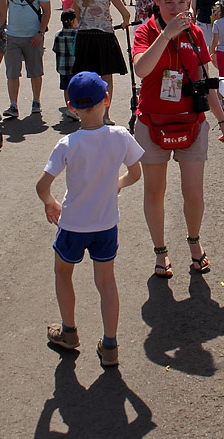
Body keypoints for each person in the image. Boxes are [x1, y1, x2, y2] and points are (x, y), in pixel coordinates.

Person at [36, 72, 143, 367]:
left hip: (72, 224)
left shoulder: (68, 143)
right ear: (106, 99)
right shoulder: (120, 136)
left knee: (63, 273)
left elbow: (42, 186)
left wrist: (51, 203)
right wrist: (117, 184)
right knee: (106, 282)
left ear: (71, 107)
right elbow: (135, 174)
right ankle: (110, 345)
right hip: (106, 224)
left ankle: (69, 331)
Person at [132, 0, 224, 278]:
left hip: (191, 122)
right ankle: (160, 252)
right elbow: (141, 70)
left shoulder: (196, 34)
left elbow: (205, 81)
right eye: (168, 3)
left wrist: (222, 120)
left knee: (194, 193)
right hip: (152, 122)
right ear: (157, 3)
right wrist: (165, 36)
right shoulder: (146, 32)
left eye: (181, 2)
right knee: (155, 191)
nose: (176, 9)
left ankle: (194, 244)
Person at [71, 0, 130, 125]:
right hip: (104, 36)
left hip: (85, 37)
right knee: (107, 78)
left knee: (86, 77)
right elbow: (125, 13)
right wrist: (124, 23)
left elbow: (76, 16)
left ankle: (87, 113)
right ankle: (105, 114)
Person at [2, 0, 51, 118]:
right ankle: (13, 105)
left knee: (35, 71)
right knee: (12, 73)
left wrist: (40, 32)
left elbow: (47, 11)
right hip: (12, 35)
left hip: (33, 36)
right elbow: (3, 11)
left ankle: (36, 101)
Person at [52, 9, 79, 120]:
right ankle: (77, 109)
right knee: (76, 88)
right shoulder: (76, 34)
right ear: (74, 21)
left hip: (63, 67)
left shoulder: (58, 34)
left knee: (66, 88)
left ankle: (70, 108)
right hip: (75, 67)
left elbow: (55, 49)